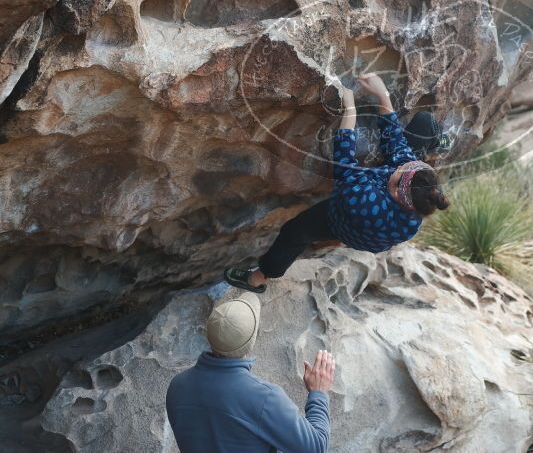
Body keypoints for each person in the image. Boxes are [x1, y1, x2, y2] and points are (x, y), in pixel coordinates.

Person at [223, 73, 450, 292]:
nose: (400, 166)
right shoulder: (416, 198)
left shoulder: (361, 200)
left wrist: (350, 109)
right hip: (378, 217)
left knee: (295, 231)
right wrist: (383, 94)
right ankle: (437, 139)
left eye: (399, 173)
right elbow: (397, 144)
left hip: (343, 222)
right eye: (407, 166)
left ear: (398, 194)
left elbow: (344, 156)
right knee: (425, 125)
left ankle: (259, 278)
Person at [166, 292, 335, 453]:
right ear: (250, 342)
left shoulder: (177, 386)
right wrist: (318, 393)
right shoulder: (263, 398)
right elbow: (316, 446)